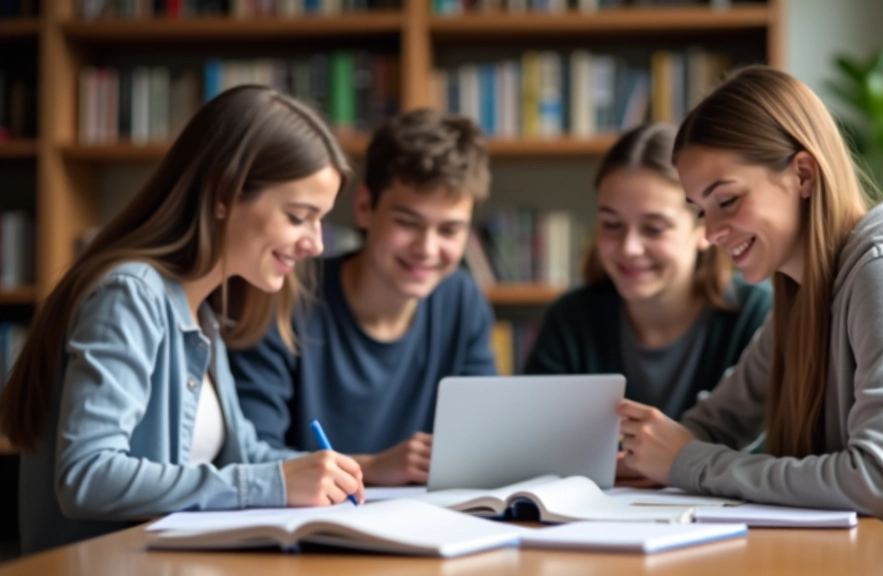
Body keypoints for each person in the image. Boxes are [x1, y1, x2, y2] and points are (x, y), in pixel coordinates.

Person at [617, 66, 883, 575]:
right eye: (700, 210)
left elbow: (880, 484)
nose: (710, 233)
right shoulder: (803, 294)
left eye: (727, 201)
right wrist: (639, 458)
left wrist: (686, 462)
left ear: (803, 176)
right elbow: (719, 422)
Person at [0, 86, 365, 554]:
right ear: (223, 196)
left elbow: (245, 455)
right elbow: (87, 474)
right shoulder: (130, 295)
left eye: (320, 221)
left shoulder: (200, 313)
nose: (316, 244)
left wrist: (350, 472)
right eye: (299, 217)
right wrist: (270, 483)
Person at [230, 109, 496, 487]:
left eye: (450, 229)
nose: (427, 248)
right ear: (364, 207)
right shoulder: (284, 293)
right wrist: (370, 468)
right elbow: (250, 454)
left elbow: (483, 442)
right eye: (407, 223)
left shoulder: (462, 299)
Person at [523, 124, 771, 484]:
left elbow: (766, 451)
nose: (628, 248)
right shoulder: (571, 317)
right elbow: (533, 443)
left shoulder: (755, 316)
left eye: (654, 229)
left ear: (705, 228)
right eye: (611, 224)